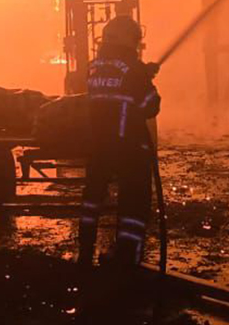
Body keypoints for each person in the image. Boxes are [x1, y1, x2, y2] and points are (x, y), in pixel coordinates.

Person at [78, 15, 161, 268]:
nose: (138, 44)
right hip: (129, 147)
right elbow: (149, 106)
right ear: (127, 38)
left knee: (92, 198)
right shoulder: (133, 70)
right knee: (134, 204)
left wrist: (142, 73)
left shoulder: (94, 67)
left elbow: (112, 94)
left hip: (99, 144)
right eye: (136, 39)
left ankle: (85, 252)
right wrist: (146, 78)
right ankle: (127, 257)